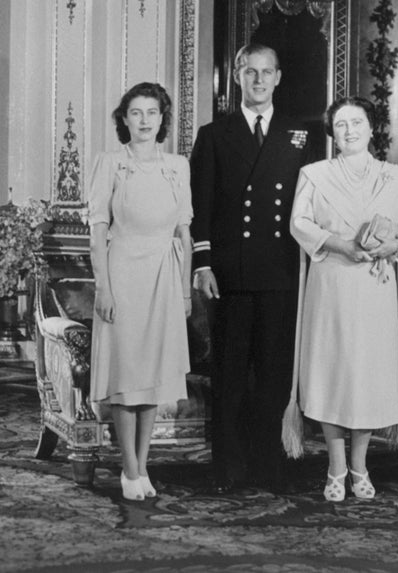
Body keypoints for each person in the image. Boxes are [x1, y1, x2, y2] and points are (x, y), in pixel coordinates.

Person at [284, 96, 398, 502]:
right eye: (341, 124)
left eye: (357, 122)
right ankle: (335, 466)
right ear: (332, 131)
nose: (350, 131)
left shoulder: (396, 176)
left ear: (371, 127)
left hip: (376, 286)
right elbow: (299, 222)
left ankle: (360, 465)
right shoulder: (314, 173)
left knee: (367, 376)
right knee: (334, 372)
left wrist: (394, 244)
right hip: (332, 283)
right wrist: (340, 244)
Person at [190, 43, 311, 494]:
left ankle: (269, 464)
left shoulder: (301, 134)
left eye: (266, 73)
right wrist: (202, 263)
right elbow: (200, 207)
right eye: (250, 73)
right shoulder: (214, 134)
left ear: (278, 77)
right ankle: (229, 467)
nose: (258, 81)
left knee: (275, 376)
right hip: (230, 273)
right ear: (237, 77)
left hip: (281, 272)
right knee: (230, 376)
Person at [88, 82, 193, 501]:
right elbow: (98, 233)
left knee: (150, 379)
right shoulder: (110, 163)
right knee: (126, 376)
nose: (145, 120)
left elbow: (185, 234)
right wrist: (104, 289)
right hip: (122, 274)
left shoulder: (178, 165)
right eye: (136, 112)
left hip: (163, 277)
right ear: (124, 119)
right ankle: (128, 470)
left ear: (163, 118)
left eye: (152, 112)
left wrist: (184, 292)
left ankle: (143, 465)